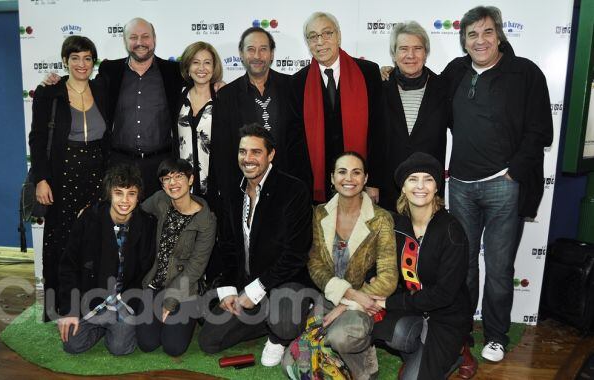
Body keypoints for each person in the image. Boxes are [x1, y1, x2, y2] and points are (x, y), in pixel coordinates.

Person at [443, 6, 553, 362]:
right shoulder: (456, 71)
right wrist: (390, 74)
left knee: (500, 267)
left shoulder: (526, 73)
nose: (480, 40)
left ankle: (496, 335)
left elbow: (541, 130)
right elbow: (427, 98)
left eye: (487, 32)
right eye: (472, 34)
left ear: (500, 34)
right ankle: (460, 330)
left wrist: (514, 171)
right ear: (464, 40)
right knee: (464, 265)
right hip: (459, 185)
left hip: (503, 185)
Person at [198, 124, 314, 367]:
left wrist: (257, 289)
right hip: (248, 285)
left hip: (285, 281)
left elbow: (295, 255)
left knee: (283, 323)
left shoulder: (294, 190)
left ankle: (281, 327)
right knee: (209, 340)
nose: (247, 159)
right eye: (242, 152)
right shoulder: (232, 190)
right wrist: (229, 288)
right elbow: (228, 246)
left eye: (256, 152)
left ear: (270, 155)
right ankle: (274, 320)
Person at [282, 151, 398, 379]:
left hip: (363, 302)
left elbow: (388, 277)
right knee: (292, 363)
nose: (349, 178)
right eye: (342, 172)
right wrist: (346, 293)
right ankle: (333, 358)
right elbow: (315, 264)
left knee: (340, 337)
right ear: (332, 178)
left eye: (356, 173)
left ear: (365, 179)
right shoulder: (319, 213)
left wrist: (349, 302)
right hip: (329, 297)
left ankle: (365, 366)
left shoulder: (381, 218)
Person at [372, 152, 475, 379]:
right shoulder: (397, 226)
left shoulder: (451, 230)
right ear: (403, 188)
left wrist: (389, 301)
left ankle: (458, 352)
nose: (421, 186)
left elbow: (443, 295)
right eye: (413, 179)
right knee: (380, 329)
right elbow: (382, 265)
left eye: (428, 179)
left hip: (446, 317)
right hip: (414, 309)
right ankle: (418, 354)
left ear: (437, 187)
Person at [29, 35, 110, 322]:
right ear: (65, 61)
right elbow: (37, 140)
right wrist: (41, 179)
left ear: (93, 62)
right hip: (62, 174)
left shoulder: (101, 89)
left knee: (92, 240)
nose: (81, 64)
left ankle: (89, 305)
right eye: (75, 58)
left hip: (97, 175)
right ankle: (57, 308)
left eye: (87, 58)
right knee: (59, 241)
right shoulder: (49, 92)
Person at [57, 163, 156, 355]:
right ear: (109, 193)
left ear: (139, 196)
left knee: (120, 348)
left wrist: (131, 304)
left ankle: (112, 329)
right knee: (72, 345)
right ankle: (99, 327)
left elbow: (144, 270)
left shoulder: (147, 224)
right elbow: (68, 266)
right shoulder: (89, 218)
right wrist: (70, 310)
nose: (125, 200)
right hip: (91, 299)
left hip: (123, 301)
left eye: (131, 193)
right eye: (119, 193)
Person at [291, 12, 385, 204]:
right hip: (319, 186)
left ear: (339, 36)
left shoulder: (368, 73)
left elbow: (379, 132)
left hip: (360, 181)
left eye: (327, 33)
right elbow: (296, 141)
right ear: (308, 43)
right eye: (313, 36)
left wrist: (374, 180)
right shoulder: (297, 82)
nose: (320, 41)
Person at [210, 27, 311, 204]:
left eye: (263, 49)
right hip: (244, 188)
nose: (257, 56)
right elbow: (222, 150)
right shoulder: (226, 95)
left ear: (272, 54)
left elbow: (301, 140)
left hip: (288, 187)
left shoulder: (292, 87)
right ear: (241, 54)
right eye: (251, 49)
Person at [136, 158, 216, 356]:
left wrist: (171, 301)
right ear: (162, 185)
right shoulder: (160, 200)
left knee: (173, 347)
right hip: (155, 283)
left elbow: (197, 266)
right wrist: (100, 210)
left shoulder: (206, 220)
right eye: (166, 178)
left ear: (191, 180)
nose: (173, 183)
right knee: (147, 343)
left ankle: (191, 313)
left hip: (185, 287)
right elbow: (133, 211)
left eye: (179, 176)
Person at [101, 17, 186, 198]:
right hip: (119, 163)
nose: (140, 42)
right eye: (133, 37)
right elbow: (82, 86)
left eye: (145, 36)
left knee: (158, 222)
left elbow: (200, 84)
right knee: (120, 221)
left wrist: (217, 84)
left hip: (161, 166)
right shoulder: (110, 70)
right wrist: (56, 83)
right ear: (125, 41)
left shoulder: (174, 71)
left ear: (154, 39)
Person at [381, 21, 449, 211]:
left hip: (428, 189)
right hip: (388, 190)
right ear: (394, 54)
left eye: (417, 48)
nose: (410, 55)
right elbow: (372, 141)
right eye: (403, 49)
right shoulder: (379, 87)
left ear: (426, 53)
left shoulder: (443, 88)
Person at [176, 42, 223, 199]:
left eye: (207, 62)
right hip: (181, 186)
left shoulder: (223, 99)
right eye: (195, 62)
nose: (201, 68)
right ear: (188, 67)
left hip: (216, 186)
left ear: (214, 67)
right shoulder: (178, 98)